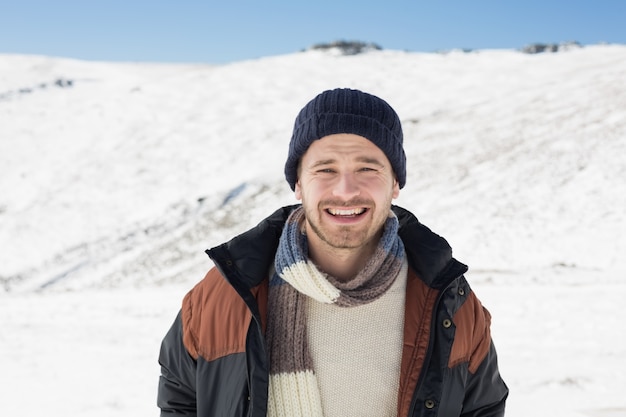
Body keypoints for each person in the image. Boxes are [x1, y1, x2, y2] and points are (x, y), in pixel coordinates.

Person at [157, 88, 508, 417]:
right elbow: (180, 392)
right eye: (325, 169)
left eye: (367, 169)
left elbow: (483, 406)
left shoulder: (448, 300)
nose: (345, 190)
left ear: (395, 183)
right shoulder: (226, 293)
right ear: (298, 183)